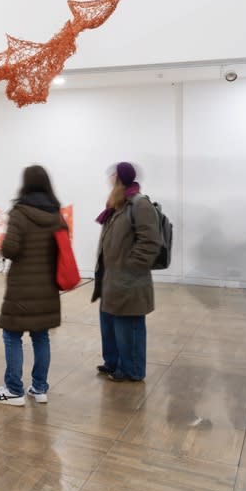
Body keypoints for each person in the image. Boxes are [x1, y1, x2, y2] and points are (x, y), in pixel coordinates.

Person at [0, 165, 66, 406]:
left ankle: (13, 390)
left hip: (22, 287)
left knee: (12, 336)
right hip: (47, 288)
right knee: (41, 337)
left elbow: (10, 249)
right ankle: (39, 388)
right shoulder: (57, 215)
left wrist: (1, 239)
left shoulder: (19, 213)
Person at [92, 162, 163, 382]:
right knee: (110, 325)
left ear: (121, 177)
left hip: (128, 280)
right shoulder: (117, 205)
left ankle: (132, 370)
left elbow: (151, 242)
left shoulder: (139, 204)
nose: (110, 177)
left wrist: (130, 266)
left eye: (113, 174)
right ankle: (113, 363)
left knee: (128, 327)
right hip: (111, 279)